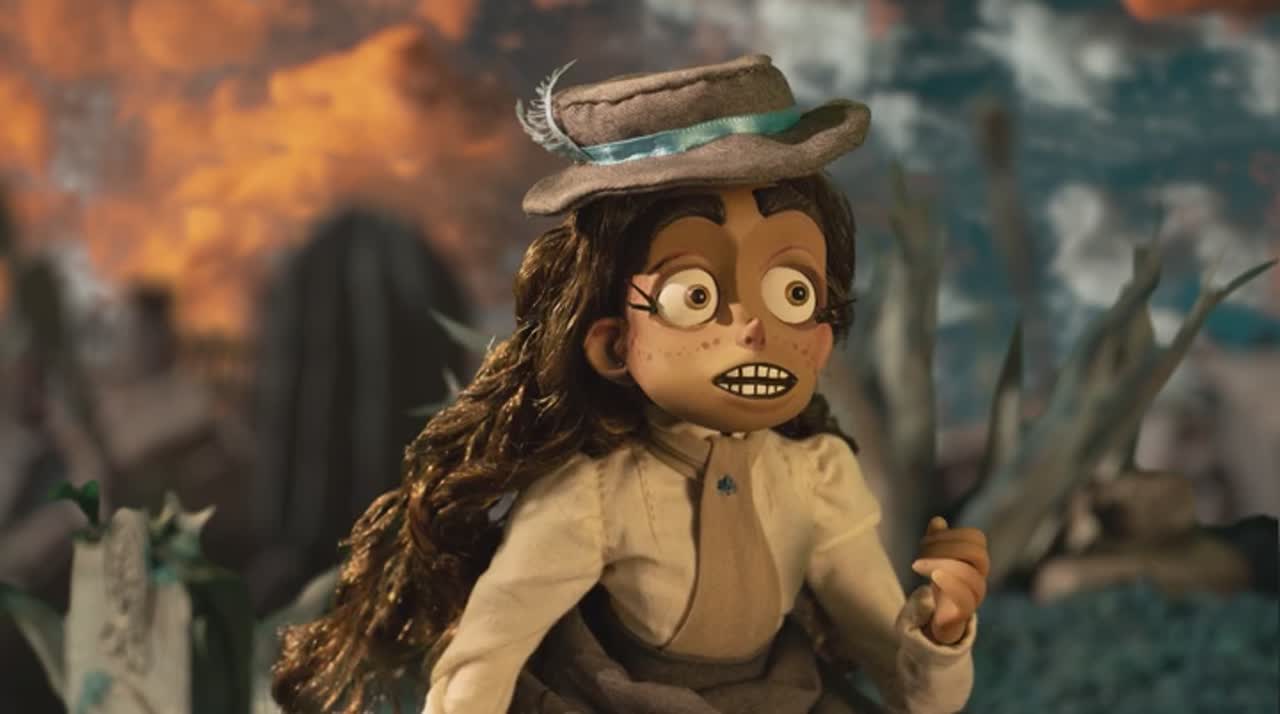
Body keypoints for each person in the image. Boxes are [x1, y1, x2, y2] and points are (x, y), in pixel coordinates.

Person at [273, 54, 989, 714]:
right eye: (696, 296)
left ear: (824, 338)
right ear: (613, 344)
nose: (753, 329)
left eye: (793, 293)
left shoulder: (818, 479)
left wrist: (942, 629)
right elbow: (485, 657)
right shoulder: (592, 496)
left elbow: (912, 689)